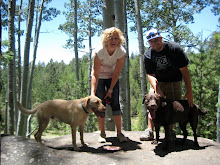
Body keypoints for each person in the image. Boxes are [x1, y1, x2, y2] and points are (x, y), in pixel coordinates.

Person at [140, 28, 194, 141]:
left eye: (156, 40)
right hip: (157, 81)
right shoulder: (148, 54)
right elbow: (150, 74)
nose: (154, 43)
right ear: (149, 43)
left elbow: (184, 71)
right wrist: (157, 88)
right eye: (151, 41)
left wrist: (189, 91)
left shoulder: (174, 49)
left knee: (172, 107)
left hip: (174, 81)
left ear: (161, 38)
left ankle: (169, 132)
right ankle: (150, 131)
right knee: (151, 102)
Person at [91, 27, 128, 143]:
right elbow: (95, 74)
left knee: (116, 104)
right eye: (111, 38)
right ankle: (102, 133)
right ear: (106, 39)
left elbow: (117, 72)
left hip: (112, 77)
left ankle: (119, 133)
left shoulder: (121, 52)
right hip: (99, 78)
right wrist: (93, 93)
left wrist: (111, 90)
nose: (113, 41)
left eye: (116, 38)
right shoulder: (99, 51)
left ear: (119, 40)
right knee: (100, 105)